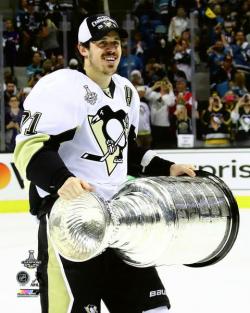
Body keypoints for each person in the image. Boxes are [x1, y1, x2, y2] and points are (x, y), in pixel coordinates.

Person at [14, 14, 196, 313]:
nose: (111, 49)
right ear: (83, 49)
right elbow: (29, 149)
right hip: (72, 220)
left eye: (116, 43)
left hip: (120, 216)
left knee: (153, 306)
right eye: (102, 43)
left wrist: (167, 167)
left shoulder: (126, 92)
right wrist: (61, 180)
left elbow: (126, 152)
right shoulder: (61, 86)